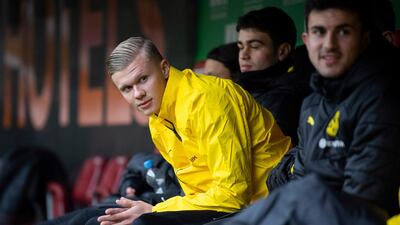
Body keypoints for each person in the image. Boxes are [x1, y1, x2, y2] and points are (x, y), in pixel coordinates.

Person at [222, 0, 400, 224]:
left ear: (364, 38)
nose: (329, 44)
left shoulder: (382, 97)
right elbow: (298, 177)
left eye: (343, 32)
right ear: (306, 41)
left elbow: (363, 203)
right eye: (319, 32)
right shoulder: (313, 101)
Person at [87, 36, 291, 225]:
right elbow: (196, 192)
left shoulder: (206, 99)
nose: (138, 94)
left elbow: (233, 195)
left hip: (267, 204)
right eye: (127, 88)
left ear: (165, 68)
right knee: (96, 221)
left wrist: (157, 210)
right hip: (221, 206)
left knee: (143, 223)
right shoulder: (157, 120)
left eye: (143, 79)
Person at [36, 152, 182, 225]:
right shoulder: (159, 159)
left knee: (92, 220)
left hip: (148, 209)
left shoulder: (194, 169)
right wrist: (129, 186)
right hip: (122, 201)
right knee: (65, 220)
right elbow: (133, 169)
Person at [236, 6, 311, 145]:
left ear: (282, 51)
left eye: (254, 46)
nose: (244, 55)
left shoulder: (284, 99)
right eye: (240, 47)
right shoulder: (245, 89)